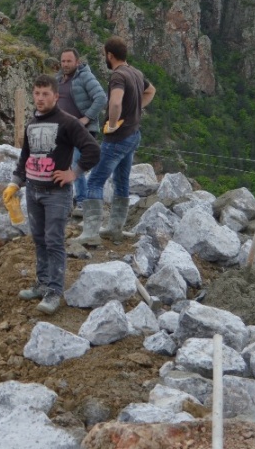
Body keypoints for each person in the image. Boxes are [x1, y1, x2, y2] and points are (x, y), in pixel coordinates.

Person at [8, 74, 100, 314]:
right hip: (33, 191)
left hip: (57, 194)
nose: (40, 98)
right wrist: (15, 183)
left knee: (54, 241)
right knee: (39, 239)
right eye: (36, 93)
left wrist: (74, 172)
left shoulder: (68, 122)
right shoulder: (31, 124)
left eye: (45, 94)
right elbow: (25, 157)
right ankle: (42, 283)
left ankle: (54, 291)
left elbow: (92, 149)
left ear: (56, 96)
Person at [75, 36, 156, 246]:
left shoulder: (118, 76)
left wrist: (112, 123)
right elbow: (151, 91)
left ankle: (91, 232)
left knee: (95, 181)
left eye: (105, 55)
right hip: (133, 134)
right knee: (121, 181)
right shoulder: (136, 73)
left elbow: (116, 103)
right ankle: (114, 229)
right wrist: (137, 109)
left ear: (109, 55)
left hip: (118, 137)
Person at [55, 47, 106, 205]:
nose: (65, 64)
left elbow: (101, 98)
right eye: (63, 61)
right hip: (62, 131)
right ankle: (67, 198)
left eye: (69, 61)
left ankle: (83, 201)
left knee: (76, 164)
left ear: (77, 62)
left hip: (80, 131)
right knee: (61, 164)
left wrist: (86, 119)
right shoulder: (57, 79)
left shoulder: (85, 76)